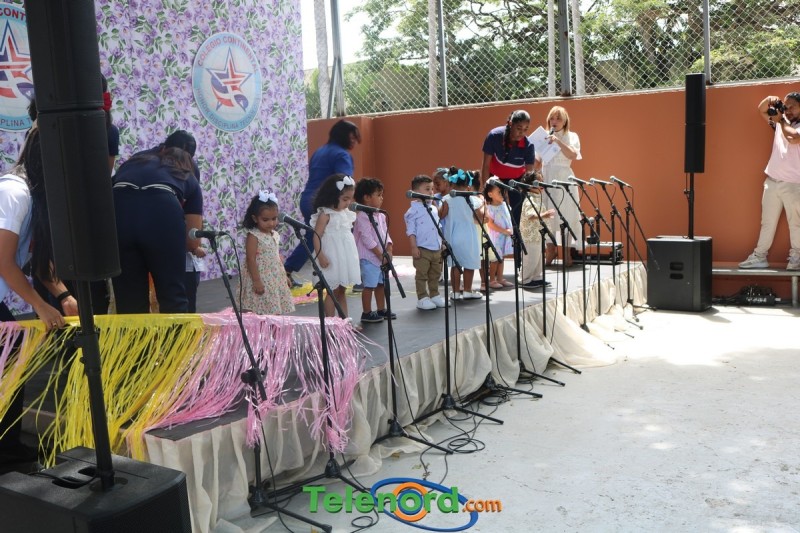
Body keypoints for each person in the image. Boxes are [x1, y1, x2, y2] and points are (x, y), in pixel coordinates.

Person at [0, 121, 79, 467]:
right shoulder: (14, 193)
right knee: (11, 356)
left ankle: (8, 446)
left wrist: (63, 297)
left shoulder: (30, 197)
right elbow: (4, 261)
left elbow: (38, 262)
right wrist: (39, 306)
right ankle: (7, 449)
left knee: (12, 355)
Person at [111, 146, 203, 313]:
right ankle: (175, 330)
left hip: (120, 210)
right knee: (172, 295)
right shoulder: (187, 174)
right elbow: (192, 240)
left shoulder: (134, 162)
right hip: (162, 210)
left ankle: (135, 331)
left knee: (129, 300)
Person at [284, 120, 361, 287]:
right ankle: (348, 275)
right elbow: (343, 182)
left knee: (312, 236)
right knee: (342, 234)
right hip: (327, 202)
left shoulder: (320, 151)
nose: (354, 142)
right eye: (352, 138)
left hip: (307, 199)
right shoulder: (342, 155)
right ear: (343, 136)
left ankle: (287, 270)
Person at [739, 93, 800, 270]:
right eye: (786, 107)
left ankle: (797, 258)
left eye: (792, 107)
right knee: (767, 222)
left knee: (796, 223)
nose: (788, 110)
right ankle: (759, 256)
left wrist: (781, 120)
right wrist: (770, 99)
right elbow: (762, 110)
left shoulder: (785, 124)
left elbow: (793, 138)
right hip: (772, 181)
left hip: (794, 183)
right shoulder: (781, 123)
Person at [535, 105, 582, 266]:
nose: (554, 121)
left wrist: (557, 141)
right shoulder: (544, 136)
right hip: (547, 176)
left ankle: (567, 252)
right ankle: (550, 250)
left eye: (558, 118)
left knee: (566, 214)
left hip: (564, 178)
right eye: (552, 118)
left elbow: (573, 155)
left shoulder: (572, 136)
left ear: (565, 121)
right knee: (548, 214)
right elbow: (537, 161)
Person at [310, 174, 360, 318]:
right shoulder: (325, 214)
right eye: (345, 199)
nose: (348, 202)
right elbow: (316, 236)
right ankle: (331, 323)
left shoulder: (346, 213)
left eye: (350, 199)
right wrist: (320, 256)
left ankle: (345, 322)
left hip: (344, 256)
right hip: (332, 257)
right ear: (332, 196)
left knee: (342, 290)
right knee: (333, 291)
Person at [239, 191, 295, 315]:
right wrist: (256, 281)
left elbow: (276, 256)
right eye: (265, 220)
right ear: (255, 218)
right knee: (261, 309)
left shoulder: (274, 234)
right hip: (261, 278)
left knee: (275, 309)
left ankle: (274, 328)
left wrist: (284, 276)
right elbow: (250, 259)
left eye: (274, 219)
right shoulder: (254, 236)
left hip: (274, 278)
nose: (271, 223)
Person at [480, 110, 536, 224]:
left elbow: (529, 174)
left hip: (516, 182)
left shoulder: (528, 146)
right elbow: (486, 165)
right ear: (510, 124)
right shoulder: (494, 136)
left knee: (515, 218)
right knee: (495, 217)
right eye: (519, 128)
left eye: (526, 129)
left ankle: (514, 235)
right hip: (495, 180)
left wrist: (529, 188)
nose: (522, 132)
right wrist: (486, 189)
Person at [353, 178, 395, 323]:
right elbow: (367, 238)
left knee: (381, 284)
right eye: (379, 195)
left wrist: (389, 249)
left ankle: (381, 309)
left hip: (381, 257)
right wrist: (380, 255)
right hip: (369, 258)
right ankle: (366, 312)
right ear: (367, 197)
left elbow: (385, 234)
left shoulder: (381, 215)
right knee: (369, 285)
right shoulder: (362, 216)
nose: (382, 198)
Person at [439, 168, 483, 300]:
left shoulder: (447, 199)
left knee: (455, 265)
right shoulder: (472, 199)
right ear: (468, 185)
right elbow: (480, 217)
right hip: (469, 236)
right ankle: (468, 290)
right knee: (469, 263)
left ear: (451, 184)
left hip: (453, 236)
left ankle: (456, 292)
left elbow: (441, 215)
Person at [405, 175, 445, 310]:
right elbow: (411, 231)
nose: (431, 192)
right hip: (422, 249)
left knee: (435, 274)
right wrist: (413, 247)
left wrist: (441, 242)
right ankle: (422, 297)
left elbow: (438, 226)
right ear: (416, 191)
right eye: (427, 189)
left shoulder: (433, 208)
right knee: (422, 275)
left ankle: (434, 294)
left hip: (436, 248)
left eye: (432, 189)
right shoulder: (412, 211)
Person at [517, 172, 556, 289]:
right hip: (530, 236)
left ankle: (536, 277)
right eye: (538, 182)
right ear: (530, 186)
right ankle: (524, 279)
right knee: (530, 259)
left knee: (538, 259)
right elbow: (530, 215)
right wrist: (545, 214)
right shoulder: (529, 199)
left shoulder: (537, 198)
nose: (542, 184)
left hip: (538, 235)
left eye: (542, 181)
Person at [483, 179, 515, 289]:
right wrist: (504, 230)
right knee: (495, 259)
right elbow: (490, 224)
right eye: (499, 192)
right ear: (490, 194)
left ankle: (500, 278)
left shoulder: (504, 205)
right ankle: (492, 279)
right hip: (495, 237)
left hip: (504, 236)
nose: (502, 194)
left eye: (503, 191)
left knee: (502, 258)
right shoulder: (490, 208)